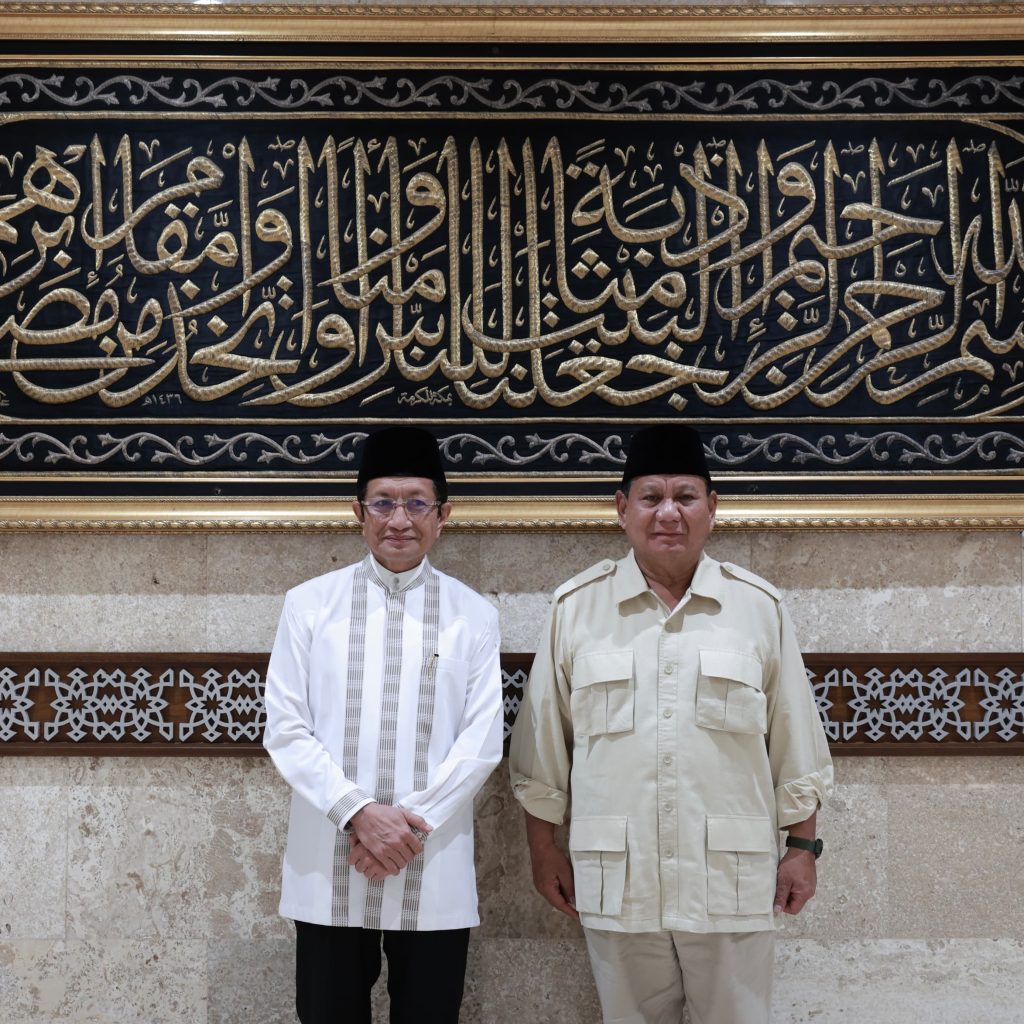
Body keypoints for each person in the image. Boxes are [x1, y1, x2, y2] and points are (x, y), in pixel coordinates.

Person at [508, 423, 834, 1024]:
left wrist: (802, 848)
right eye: (651, 497)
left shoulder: (758, 610)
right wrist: (542, 848)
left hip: (731, 882)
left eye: (685, 496)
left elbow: (795, 744)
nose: (668, 514)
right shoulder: (575, 609)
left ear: (712, 507)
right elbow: (543, 749)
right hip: (617, 881)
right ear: (621, 508)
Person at [263, 426, 504, 1024]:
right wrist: (359, 814)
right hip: (333, 857)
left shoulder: (474, 616)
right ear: (358, 512)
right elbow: (286, 728)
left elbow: (480, 744)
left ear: (443, 515)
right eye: (384, 503)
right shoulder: (307, 605)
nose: (400, 519)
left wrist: (406, 831)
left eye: (417, 502)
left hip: (433, 861)